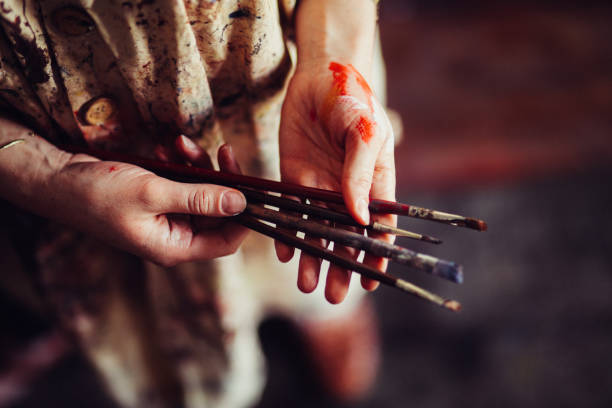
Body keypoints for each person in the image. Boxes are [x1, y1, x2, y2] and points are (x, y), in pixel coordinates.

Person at [0, 0, 397, 406]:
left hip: (283, 96)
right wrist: (44, 176)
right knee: (75, 293)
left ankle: (315, 312)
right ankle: (46, 326)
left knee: (322, 233)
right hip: (35, 132)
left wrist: (332, 55)